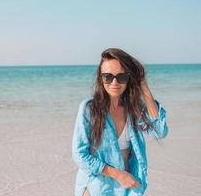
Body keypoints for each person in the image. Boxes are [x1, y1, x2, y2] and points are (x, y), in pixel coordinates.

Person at [72, 48, 169, 196]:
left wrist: (143, 86)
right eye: (108, 77)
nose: (115, 82)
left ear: (129, 78)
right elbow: (80, 155)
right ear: (100, 78)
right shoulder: (89, 109)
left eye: (121, 76)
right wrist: (118, 175)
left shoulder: (134, 109)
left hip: (126, 188)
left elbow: (160, 131)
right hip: (97, 186)